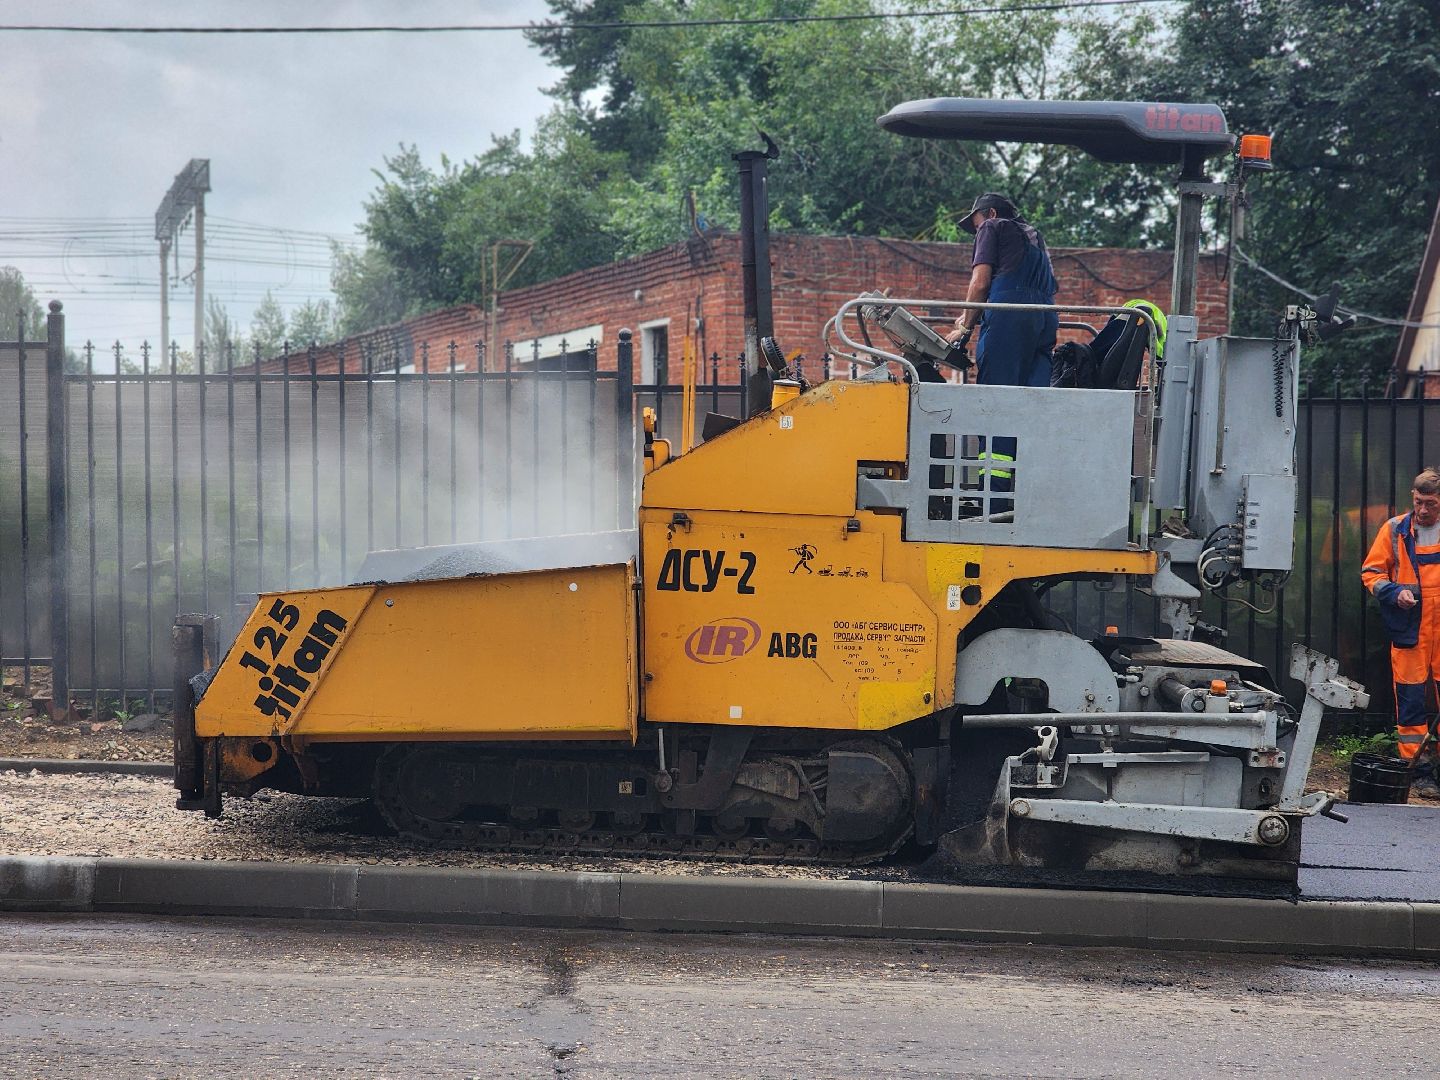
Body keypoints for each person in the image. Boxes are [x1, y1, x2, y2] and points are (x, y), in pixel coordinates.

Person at [1361, 467, 1440, 796]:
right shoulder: (1394, 530)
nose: (1423, 510)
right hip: (1411, 625)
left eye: (1431, 504)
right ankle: (1418, 769)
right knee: (1409, 699)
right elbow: (1371, 572)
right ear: (1412, 497)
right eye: (1419, 502)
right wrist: (1394, 594)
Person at [944, 192, 1059, 387]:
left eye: (976, 225)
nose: (978, 231)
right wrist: (973, 314)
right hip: (1046, 317)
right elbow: (1048, 286)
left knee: (997, 390)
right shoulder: (1035, 235)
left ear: (992, 213)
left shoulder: (991, 225)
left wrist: (965, 328)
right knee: (1038, 393)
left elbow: (980, 283)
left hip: (1009, 317)